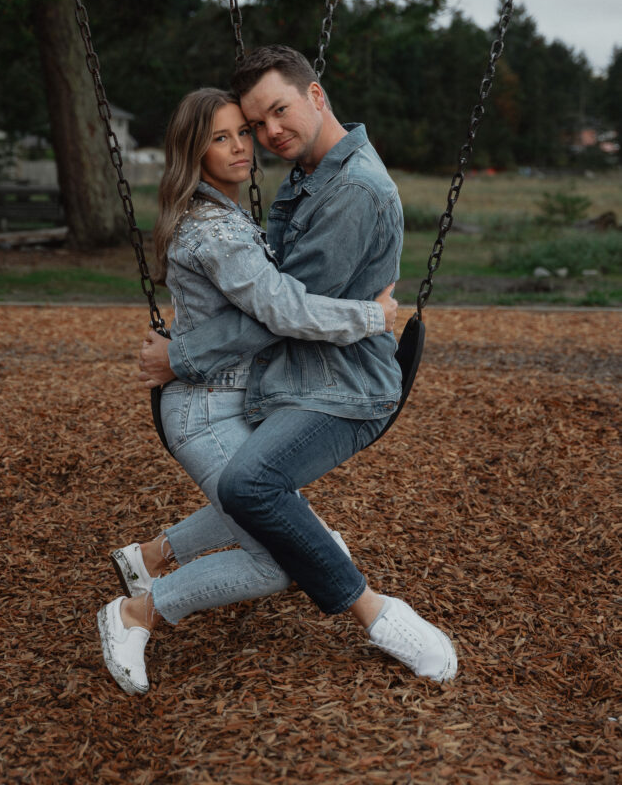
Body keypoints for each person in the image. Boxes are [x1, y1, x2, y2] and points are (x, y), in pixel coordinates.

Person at [134, 46, 457, 688]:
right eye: (256, 124)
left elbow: (282, 311)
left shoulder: (351, 191)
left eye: (277, 112)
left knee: (253, 490)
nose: (267, 133)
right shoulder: (311, 173)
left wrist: (181, 356)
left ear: (316, 95)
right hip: (302, 372)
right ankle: (147, 558)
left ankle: (379, 615)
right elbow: (272, 297)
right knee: (272, 509)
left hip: (342, 385)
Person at [97, 86, 400, 696]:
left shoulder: (225, 212)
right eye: (221, 138)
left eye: (244, 131)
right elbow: (282, 310)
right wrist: (372, 316)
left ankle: (148, 557)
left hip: (231, 395)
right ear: (195, 151)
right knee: (280, 560)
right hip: (205, 408)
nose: (242, 146)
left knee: (269, 500)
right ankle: (136, 612)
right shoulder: (217, 230)